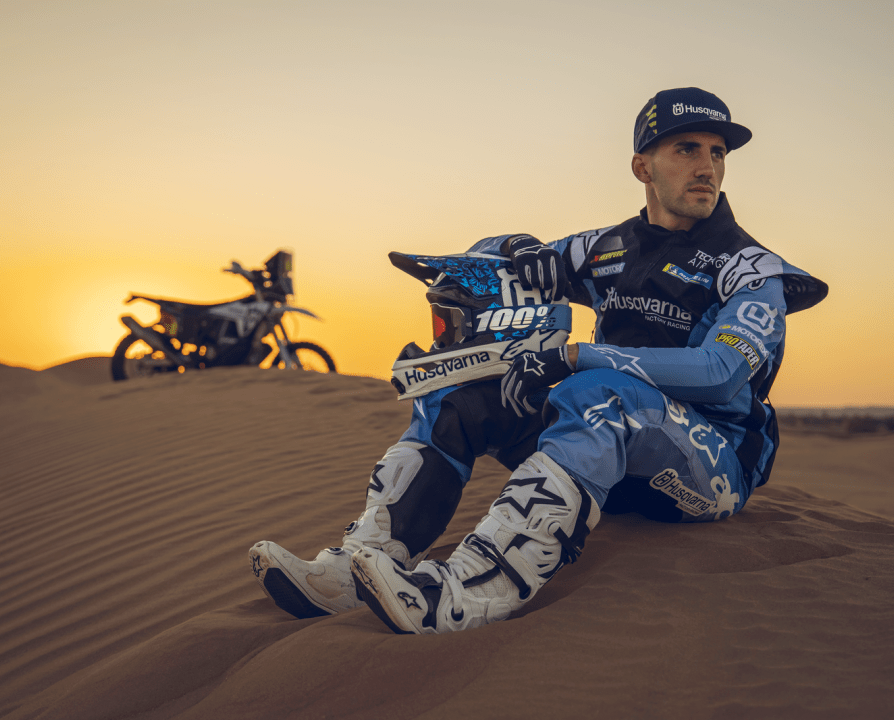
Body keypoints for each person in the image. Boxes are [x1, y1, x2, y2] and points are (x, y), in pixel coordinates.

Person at [250, 87, 828, 634]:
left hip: (712, 467)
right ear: (642, 167)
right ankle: (359, 565)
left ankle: (471, 592)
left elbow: (720, 373)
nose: (707, 167)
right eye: (687, 149)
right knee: (464, 391)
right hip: (608, 459)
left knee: (596, 393)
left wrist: (574, 356)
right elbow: (494, 260)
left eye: (717, 153)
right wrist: (517, 246)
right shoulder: (610, 248)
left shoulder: (752, 269)